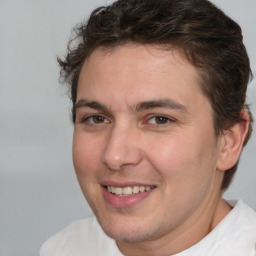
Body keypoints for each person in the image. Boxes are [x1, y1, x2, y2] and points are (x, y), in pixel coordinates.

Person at [40, 0, 256, 255]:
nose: (115, 156)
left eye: (159, 119)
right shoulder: (63, 248)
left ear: (228, 141)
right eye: (97, 118)